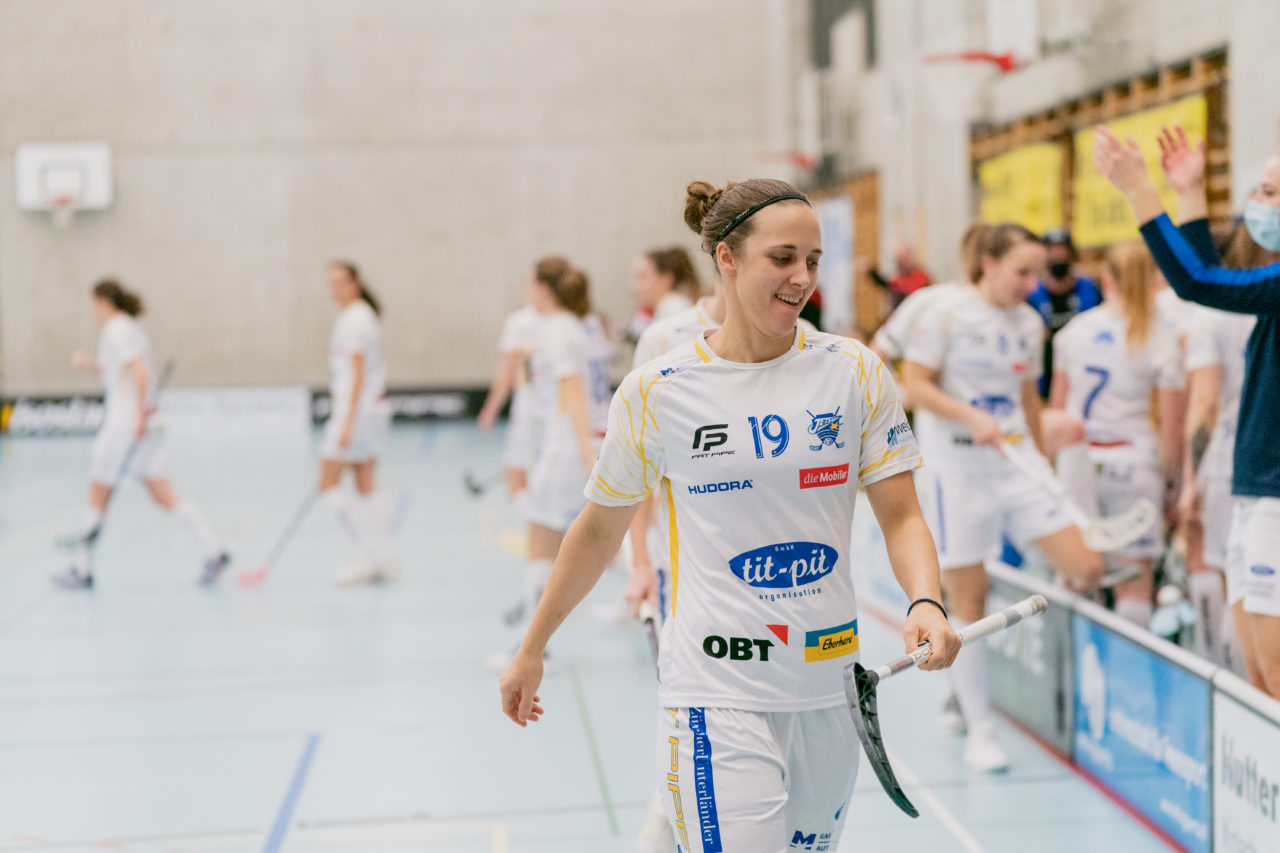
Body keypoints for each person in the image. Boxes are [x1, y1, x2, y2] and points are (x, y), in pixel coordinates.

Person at [500, 177, 961, 851]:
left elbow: (902, 516)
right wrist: (532, 647)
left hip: (830, 689)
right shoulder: (659, 389)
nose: (802, 277)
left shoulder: (856, 372)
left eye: (813, 259)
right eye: (783, 258)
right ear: (727, 259)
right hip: (715, 690)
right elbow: (597, 528)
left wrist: (928, 599)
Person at [902, 223, 1103, 770]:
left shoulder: (1030, 323)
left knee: (1086, 563)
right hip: (958, 469)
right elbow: (912, 384)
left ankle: (978, 687)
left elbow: (1028, 401)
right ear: (988, 264)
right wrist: (972, 417)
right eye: (1023, 271)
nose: (1032, 283)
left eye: (1038, 272)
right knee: (970, 598)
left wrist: (1042, 457)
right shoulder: (945, 312)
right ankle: (980, 726)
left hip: (1015, 465)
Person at [1094, 123, 1280, 699]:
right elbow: (1210, 280)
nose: (1260, 202)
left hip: (1275, 499)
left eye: (1274, 193)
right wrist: (1191, 194)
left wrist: (1138, 191)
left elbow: (1196, 282)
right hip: (1255, 495)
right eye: (1262, 189)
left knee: (1275, 674)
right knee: (1257, 675)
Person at [56, 279, 229, 588]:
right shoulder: (129, 327)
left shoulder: (116, 329)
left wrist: (137, 417)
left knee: (97, 494)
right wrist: (93, 365)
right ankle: (213, 551)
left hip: (125, 426)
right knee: (163, 493)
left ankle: (82, 569)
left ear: (102, 302)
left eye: (92, 304)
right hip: (146, 423)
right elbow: (120, 371)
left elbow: (139, 370)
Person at [1050, 242, 1185, 628]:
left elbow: (1058, 416)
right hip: (1133, 463)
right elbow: (1173, 425)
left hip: (1078, 464)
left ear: (1106, 279)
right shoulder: (1160, 337)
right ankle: (1130, 685)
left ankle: (1075, 682)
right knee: (1134, 585)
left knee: (1077, 576)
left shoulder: (1074, 332)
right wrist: (1174, 484)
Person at [513, 261, 613, 638]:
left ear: (544, 290)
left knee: (540, 544)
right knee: (604, 539)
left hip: (567, 449)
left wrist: (587, 455)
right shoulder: (577, 325)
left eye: (529, 282)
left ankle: (531, 646)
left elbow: (571, 391)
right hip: (583, 443)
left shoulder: (557, 329)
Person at [319, 261, 397, 587]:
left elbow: (358, 374)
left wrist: (348, 421)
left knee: (328, 483)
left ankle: (364, 557)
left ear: (356, 283)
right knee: (365, 483)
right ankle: (382, 556)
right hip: (368, 412)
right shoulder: (358, 316)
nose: (334, 288)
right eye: (330, 282)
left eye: (340, 281)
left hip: (357, 414)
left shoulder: (356, 321)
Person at [477, 274, 546, 503]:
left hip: (529, 412)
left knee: (518, 479)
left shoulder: (520, 322)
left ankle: (538, 535)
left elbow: (506, 371)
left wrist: (491, 409)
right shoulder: (572, 320)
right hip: (554, 413)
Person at [1026, 230, 1103, 397]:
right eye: (1052, 250)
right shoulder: (1033, 293)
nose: (1058, 255)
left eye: (1062, 249)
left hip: (1082, 372)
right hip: (1043, 375)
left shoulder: (1090, 289)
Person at [861, 241, 931, 313]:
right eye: (898, 260)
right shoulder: (899, 277)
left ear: (910, 257)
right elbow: (886, 284)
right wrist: (871, 272)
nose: (900, 263)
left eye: (903, 259)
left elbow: (910, 293)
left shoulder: (921, 276)